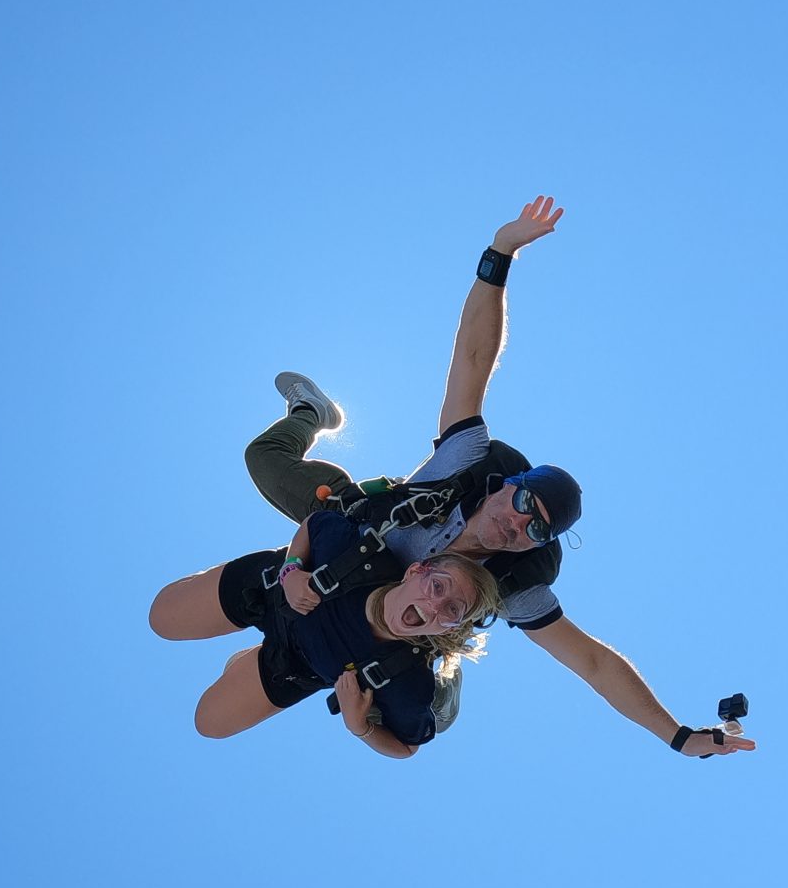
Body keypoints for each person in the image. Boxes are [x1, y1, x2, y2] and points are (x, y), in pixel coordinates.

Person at [242, 196, 755, 761]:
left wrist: (676, 736)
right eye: (524, 503)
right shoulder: (470, 460)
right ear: (506, 485)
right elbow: (472, 359)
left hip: (399, 624)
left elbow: (593, 661)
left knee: (406, 697)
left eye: (535, 531)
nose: (517, 526)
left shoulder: (518, 585)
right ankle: (311, 414)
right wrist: (499, 254)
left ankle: (445, 677)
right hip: (363, 530)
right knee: (264, 462)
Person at [149, 510, 501, 759]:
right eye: (439, 586)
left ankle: (247, 663)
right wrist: (291, 572)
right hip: (269, 592)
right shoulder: (357, 558)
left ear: (448, 628)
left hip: (294, 665)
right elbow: (314, 523)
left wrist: (358, 725)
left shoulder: (406, 681)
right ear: (413, 572)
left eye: (453, 611)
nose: (436, 605)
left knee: (208, 722)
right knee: (161, 618)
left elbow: (408, 747)